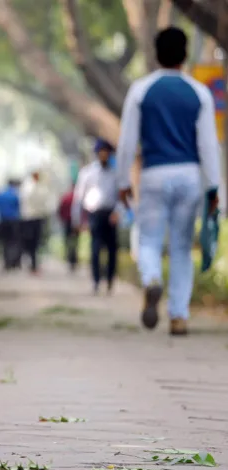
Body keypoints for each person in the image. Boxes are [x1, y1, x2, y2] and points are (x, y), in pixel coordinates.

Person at [116, 26, 221, 336]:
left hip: (154, 174)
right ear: (185, 55)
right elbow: (208, 145)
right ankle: (179, 315)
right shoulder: (199, 92)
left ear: (156, 53)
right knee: (181, 247)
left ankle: (151, 279)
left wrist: (123, 181)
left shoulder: (141, 90)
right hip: (189, 175)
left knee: (148, 239)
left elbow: (126, 142)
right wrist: (214, 187)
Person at [72, 139, 124, 296]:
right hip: (95, 214)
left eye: (106, 152)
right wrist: (77, 219)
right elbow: (79, 198)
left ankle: (109, 279)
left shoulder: (116, 174)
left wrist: (117, 212)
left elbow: (121, 197)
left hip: (111, 214)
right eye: (101, 152)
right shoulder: (87, 173)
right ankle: (96, 280)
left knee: (112, 250)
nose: (104, 155)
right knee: (95, 249)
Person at [19, 169, 54, 275]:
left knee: (34, 243)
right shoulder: (30, 188)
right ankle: (32, 264)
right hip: (31, 218)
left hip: (35, 218)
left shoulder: (35, 188)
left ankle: (33, 264)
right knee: (31, 242)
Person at [0, 179, 21, 271]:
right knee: (13, 241)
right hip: (13, 220)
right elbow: (19, 205)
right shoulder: (15, 194)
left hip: (2, 220)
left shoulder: (1, 194)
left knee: (5, 242)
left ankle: (6, 262)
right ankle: (13, 262)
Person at [57, 181, 79, 273]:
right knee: (75, 242)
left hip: (67, 222)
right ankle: (73, 258)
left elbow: (59, 210)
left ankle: (70, 258)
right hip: (75, 223)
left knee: (68, 241)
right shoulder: (78, 197)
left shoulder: (66, 197)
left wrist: (62, 219)